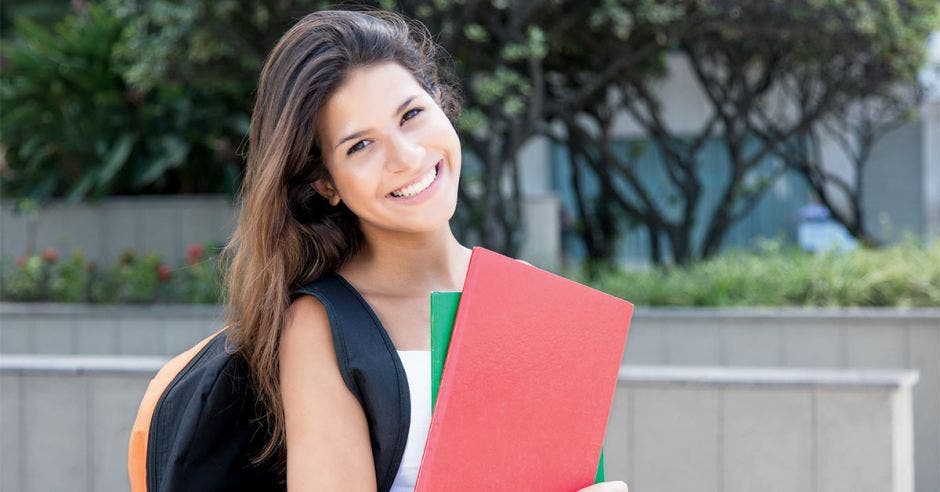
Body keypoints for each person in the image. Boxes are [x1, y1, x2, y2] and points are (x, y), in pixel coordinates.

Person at [220, 8, 629, 491]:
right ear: (325, 182)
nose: (406, 157)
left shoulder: (522, 291)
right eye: (360, 146)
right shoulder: (323, 326)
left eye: (411, 115)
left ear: (440, 102)